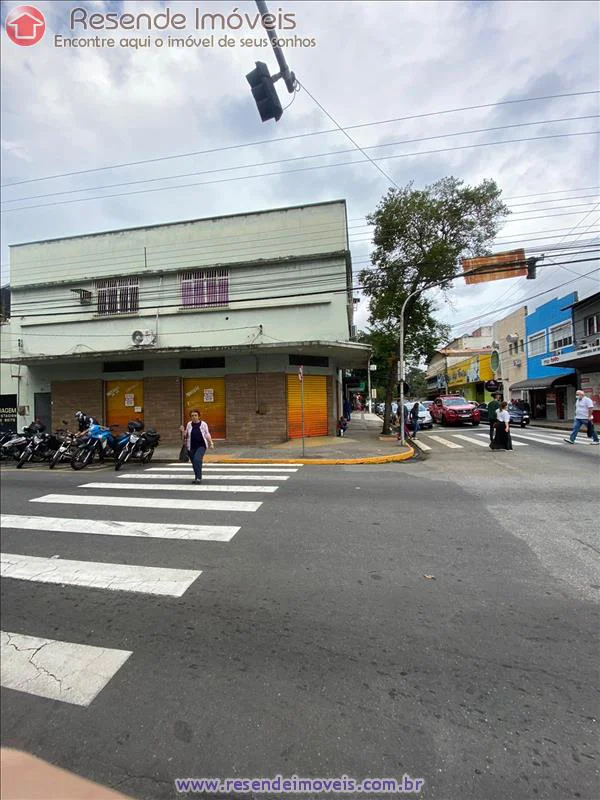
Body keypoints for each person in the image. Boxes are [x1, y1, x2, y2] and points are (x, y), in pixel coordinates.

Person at [180, 409, 215, 483]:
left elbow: (207, 434)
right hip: (191, 446)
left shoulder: (203, 424)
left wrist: (211, 443)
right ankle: (196, 477)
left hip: (201, 446)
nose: (194, 417)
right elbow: (185, 436)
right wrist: (183, 431)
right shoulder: (189, 424)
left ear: (199, 416)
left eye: (195, 415)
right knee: (194, 463)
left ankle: (199, 478)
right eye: (192, 415)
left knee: (197, 460)